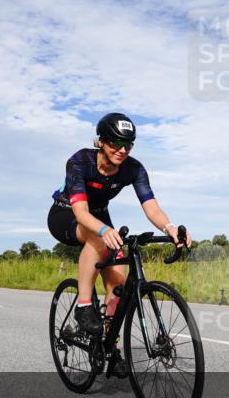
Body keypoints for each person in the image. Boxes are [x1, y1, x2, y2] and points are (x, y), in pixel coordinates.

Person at [47, 113, 191, 360]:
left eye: (128, 145)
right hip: (67, 213)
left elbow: (151, 207)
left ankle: (108, 345)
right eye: (115, 143)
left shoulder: (133, 168)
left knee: (118, 284)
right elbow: (81, 213)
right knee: (98, 237)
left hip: (99, 214)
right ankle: (83, 306)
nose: (122, 150)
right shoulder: (80, 161)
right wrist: (103, 230)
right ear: (101, 141)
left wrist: (169, 227)